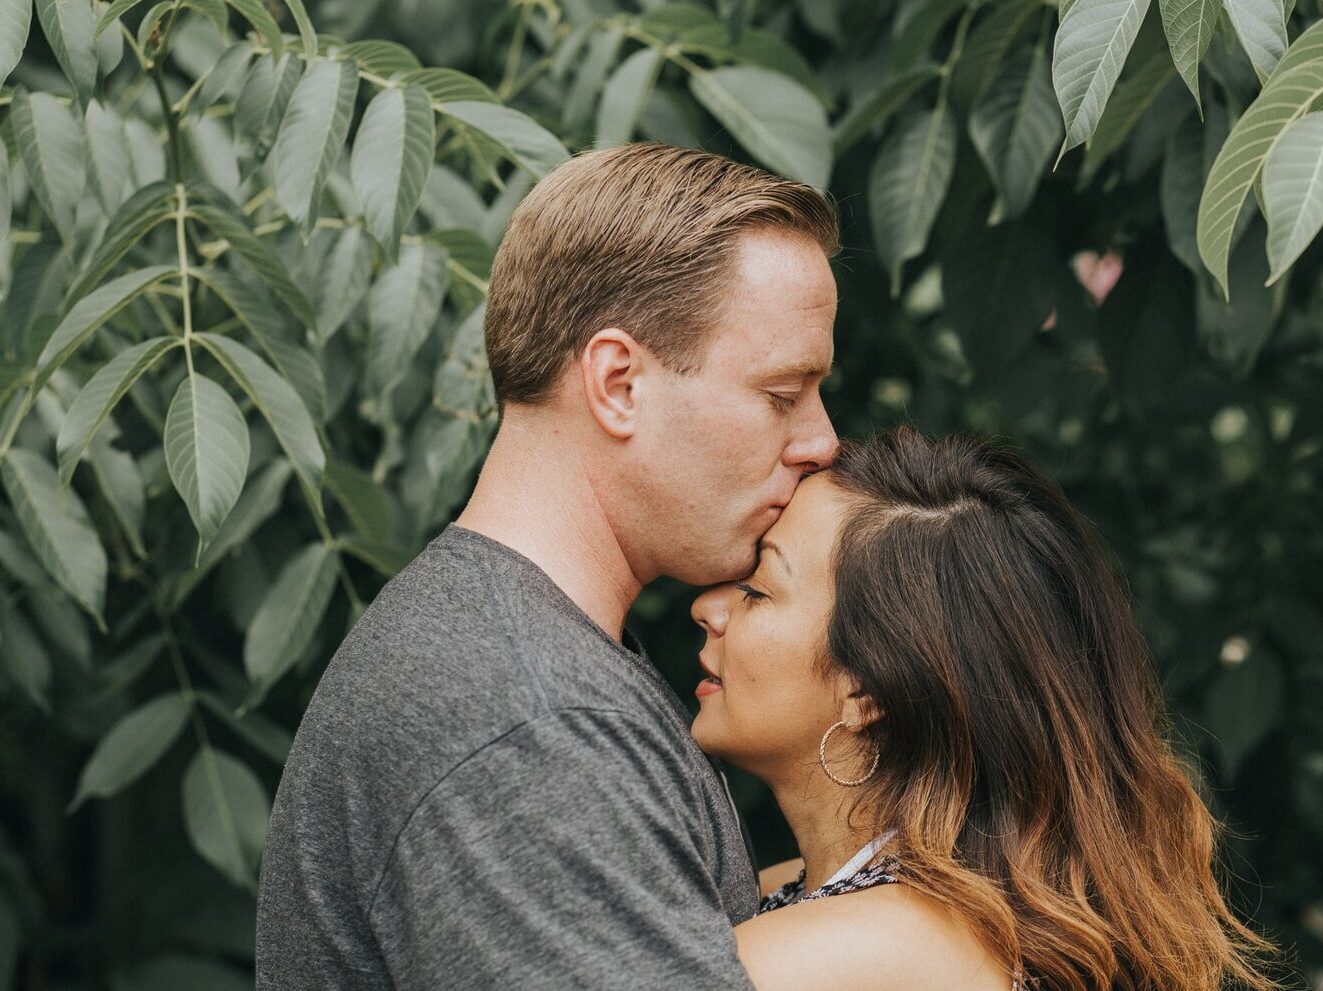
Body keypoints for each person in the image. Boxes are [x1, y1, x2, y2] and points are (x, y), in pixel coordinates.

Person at [255, 142, 840, 988]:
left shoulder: (527, 661)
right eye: (781, 395)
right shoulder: (529, 720)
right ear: (617, 383)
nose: (820, 440)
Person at [690, 427, 1282, 991]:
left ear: (867, 692)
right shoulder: (825, 899)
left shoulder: (884, 943)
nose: (709, 608)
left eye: (757, 589)